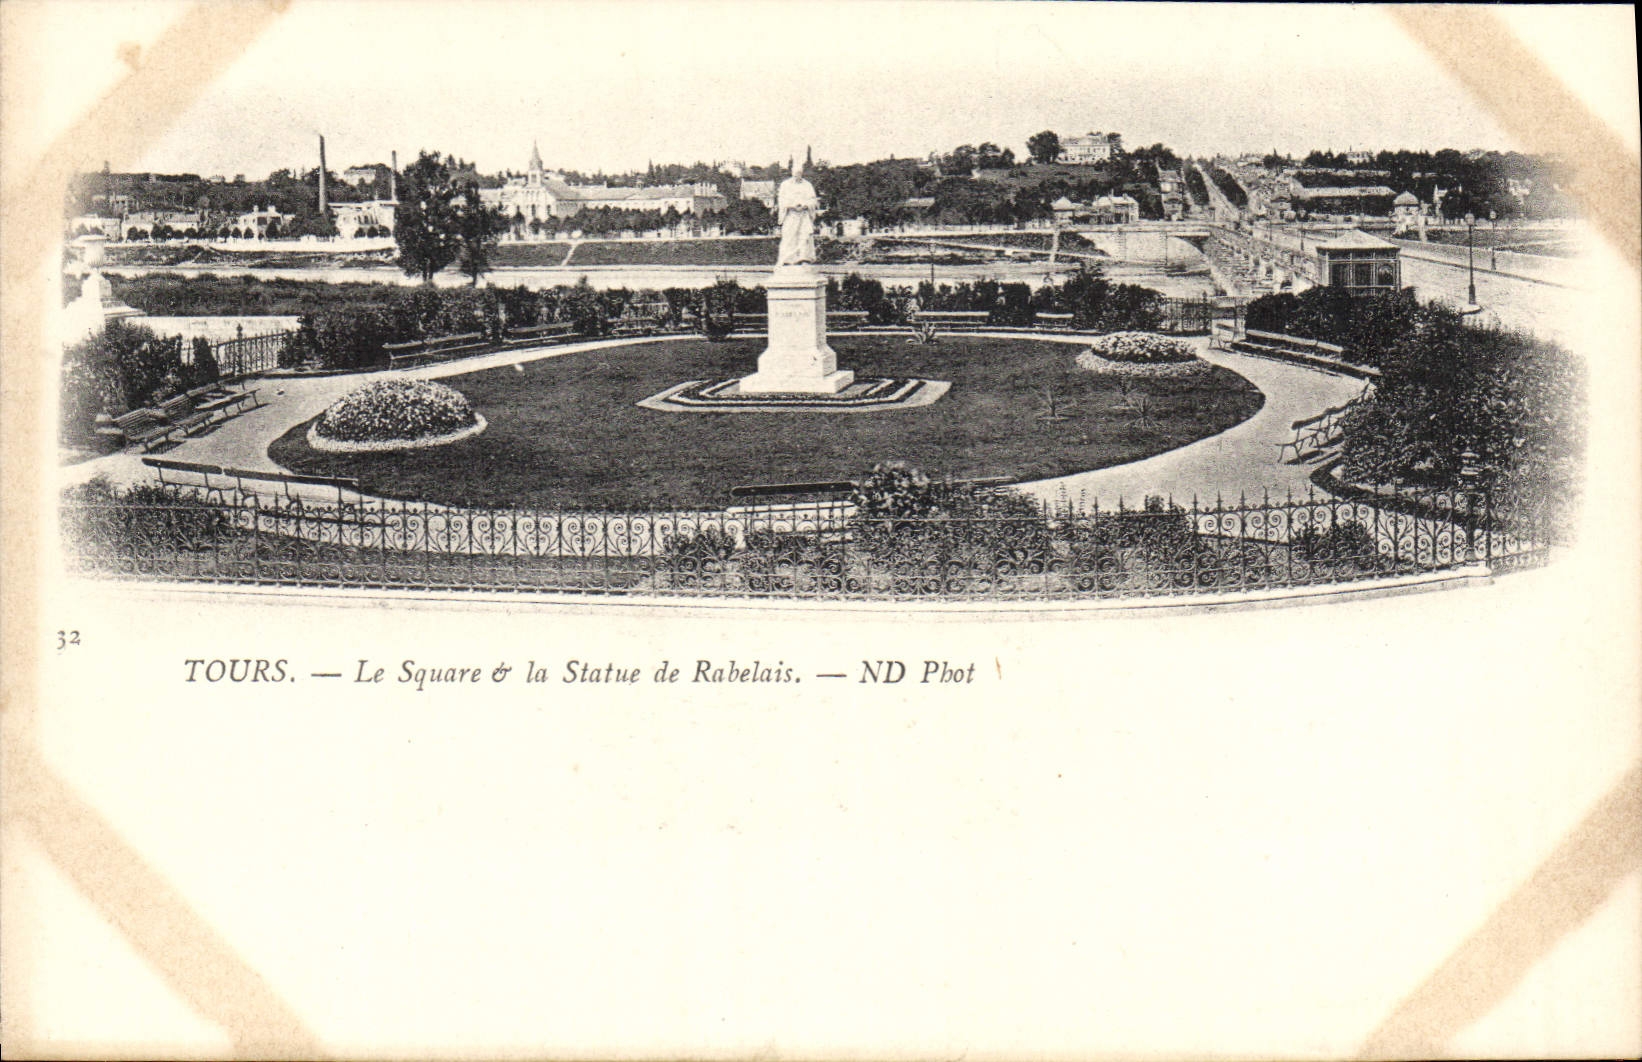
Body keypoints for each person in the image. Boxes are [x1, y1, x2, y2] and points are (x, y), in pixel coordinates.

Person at [775, 157, 819, 267]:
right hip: (791, 214)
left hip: (804, 215)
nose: (797, 175)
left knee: (804, 236)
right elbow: (781, 199)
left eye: (799, 173)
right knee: (789, 236)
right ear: (792, 173)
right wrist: (791, 205)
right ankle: (788, 259)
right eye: (795, 173)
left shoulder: (807, 185)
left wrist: (805, 205)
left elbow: (813, 199)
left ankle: (804, 258)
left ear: (802, 173)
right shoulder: (785, 185)